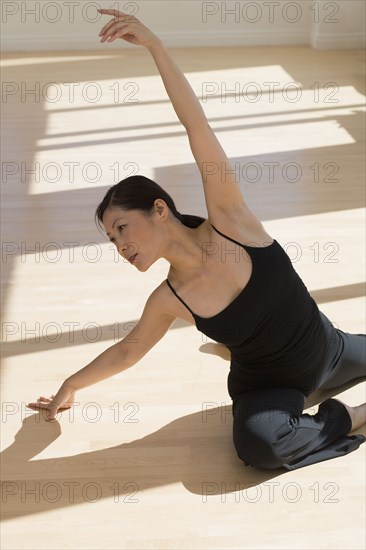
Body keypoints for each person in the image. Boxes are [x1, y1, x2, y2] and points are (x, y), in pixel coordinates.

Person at [27, 9, 366, 470]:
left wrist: (156, 46)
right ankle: (353, 415)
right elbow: (129, 349)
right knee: (259, 447)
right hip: (267, 387)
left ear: (160, 210)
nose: (120, 246)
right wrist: (70, 384)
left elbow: (196, 128)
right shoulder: (168, 298)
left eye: (122, 228)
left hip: (328, 349)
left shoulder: (230, 219)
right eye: (111, 240)